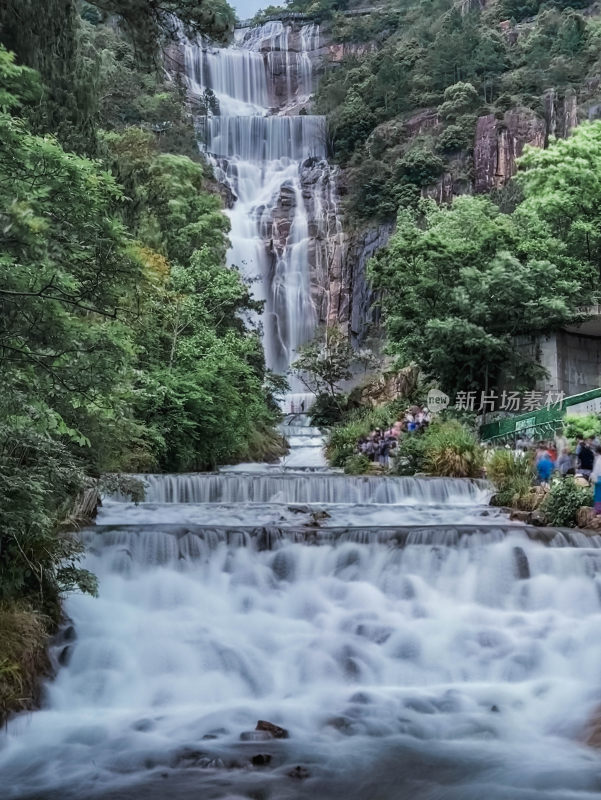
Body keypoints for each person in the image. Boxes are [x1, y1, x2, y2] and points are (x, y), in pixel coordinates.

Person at [591, 446, 601, 514]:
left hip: (599, 480)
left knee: (598, 496)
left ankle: (598, 512)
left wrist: (593, 479)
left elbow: (596, 472)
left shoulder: (599, 460)